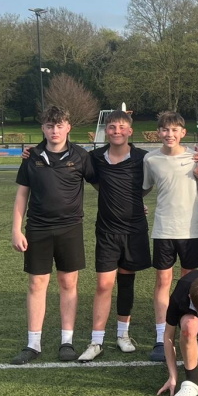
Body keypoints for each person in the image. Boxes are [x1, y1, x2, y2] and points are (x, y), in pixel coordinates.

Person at [9, 105, 96, 364]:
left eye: (59, 126)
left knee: (68, 283)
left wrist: (133, 204)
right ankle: (33, 344)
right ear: (43, 128)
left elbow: (104, 185)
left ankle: (66, 342)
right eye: (49, 126)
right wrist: (16, 229)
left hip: (70, 228)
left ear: (68, 127)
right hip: (38, 228)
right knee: (37, 284)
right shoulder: (32, 156)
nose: (54, 130)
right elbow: (22, 194)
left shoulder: (81, 156)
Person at [78, 109, 149, 361]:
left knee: (126, 282)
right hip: (107, 231)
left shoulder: (143, 157)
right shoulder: (95, 157)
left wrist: (137, 200)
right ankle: (96, 341)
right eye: (111, 127)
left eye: (121, 127)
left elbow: (151, 182)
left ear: (130, 131)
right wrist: (32, 152)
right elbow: (94, 181)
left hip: (133, 231)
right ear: (105, 130)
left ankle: (122, 335)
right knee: (103, 284)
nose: (116, 131)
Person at [143, 111, 198, 362]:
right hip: (163, 230)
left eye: (174, 130)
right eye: (165, 130)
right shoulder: (150, 159)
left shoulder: (195, 157)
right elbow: (143, 188)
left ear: (183, 133)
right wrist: (137, 204)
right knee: (163, 281)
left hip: (191, 230)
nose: (169, 134)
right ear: (158, 132)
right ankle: (162, 336)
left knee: (189, 282)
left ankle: (189, 327)